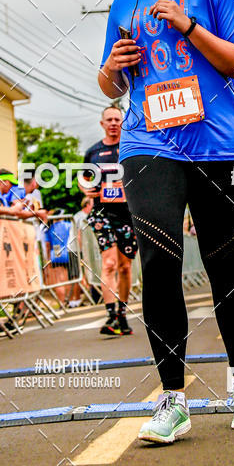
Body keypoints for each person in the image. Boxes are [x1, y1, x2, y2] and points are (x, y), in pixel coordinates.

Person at [98, 0, 234, 443]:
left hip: (220, 145)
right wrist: (114, 68)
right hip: (150, 144)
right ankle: (173, 400)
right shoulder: (126, 2)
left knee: (224, 265)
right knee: (160, 259)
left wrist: (190, 27)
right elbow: (110, 83)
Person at [82, 106, 138, 336]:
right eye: (109, 119)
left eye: (117, 119)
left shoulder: (131, 147)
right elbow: (84, 179)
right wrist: (86, 189)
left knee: (124, 266)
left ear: (122, 123)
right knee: (109, 264)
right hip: (102, 213)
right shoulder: (93, 152)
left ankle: (122, 314)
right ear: (102, 123)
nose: (114, 123)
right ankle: (111, 315)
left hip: (128, 213)